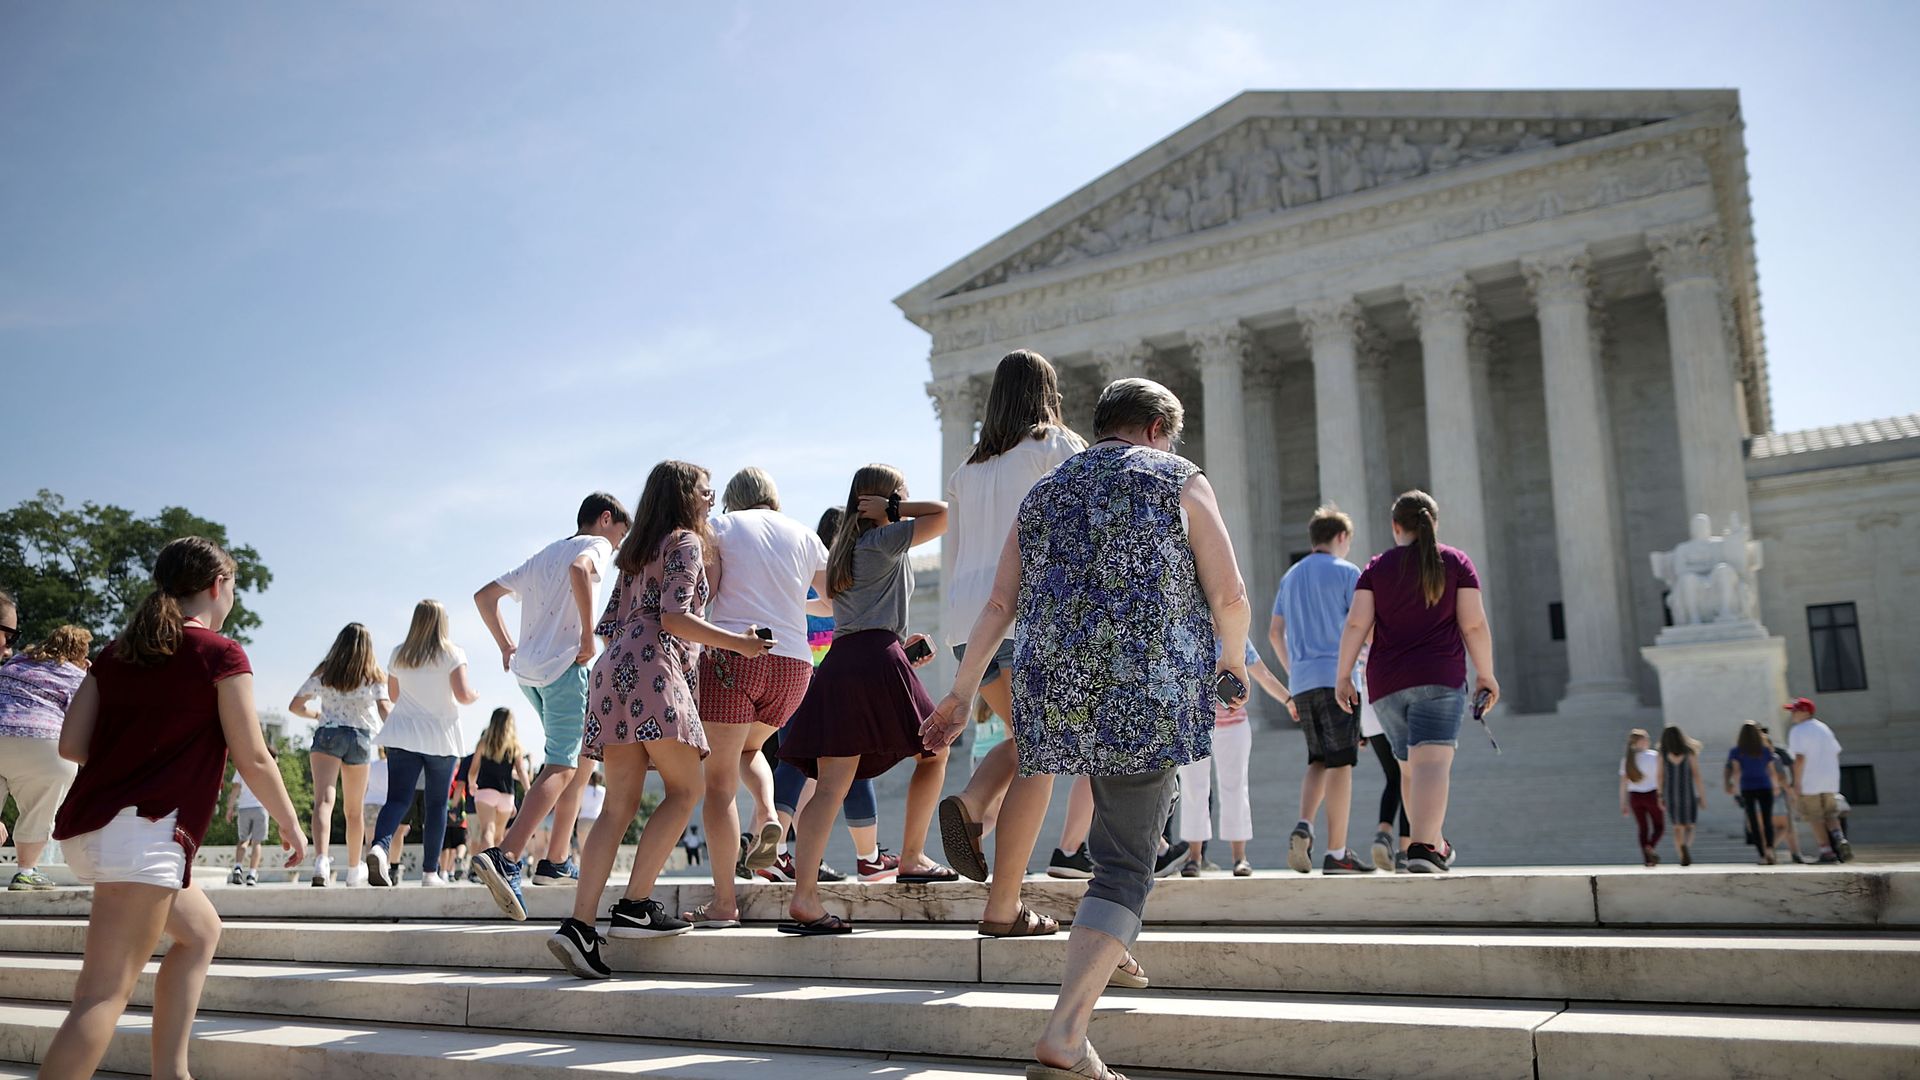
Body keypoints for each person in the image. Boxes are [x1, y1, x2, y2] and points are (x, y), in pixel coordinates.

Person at [923, 376, 1248, 1077]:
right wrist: (1232, 663)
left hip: (1055, 688)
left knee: (1114, 837)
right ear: (1159, 428)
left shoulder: (1044, 494)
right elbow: (1228, 592)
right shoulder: (1181, 479)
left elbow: (998, 602)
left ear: (1103, 425)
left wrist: (956, 693)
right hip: (1145, 687)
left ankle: (1112, 942)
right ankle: (1067, 1034)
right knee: (1126, 862)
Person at [40, 537, 307, 1080]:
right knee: (102, 995)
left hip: (98, 827)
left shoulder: (117, 652)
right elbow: (253, 754)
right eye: (231, 585)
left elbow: (71, 744)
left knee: (201, 933)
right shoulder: (221, 653)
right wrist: (291, 822)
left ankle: (173, 1073)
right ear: (218, 585)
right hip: (142, 834)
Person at [549, 461, 774, 978]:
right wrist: (740, 643)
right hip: (656, 664)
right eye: (705, 491)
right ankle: (634, 904)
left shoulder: (633, 552)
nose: (711, 498)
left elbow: (610, 624)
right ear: (684, 495)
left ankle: (579, 927)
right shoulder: (685, 543)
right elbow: (673, 617)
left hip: (613, 670)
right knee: (687, 790)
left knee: (617, 806)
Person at [934, 350, 1088, 903]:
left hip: (965, 625)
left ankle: (974, 803)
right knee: (1044, 755)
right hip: (1028, 615)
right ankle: (1004, 903)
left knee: (1030, 740)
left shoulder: (966, 471)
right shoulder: (1058, 448)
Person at [778, 463, 951, 934]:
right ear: (879, 500)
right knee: (936, 750)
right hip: (878, 656)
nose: (903, 504)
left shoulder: (842, 552)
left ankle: (805, 897)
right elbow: (943, 515)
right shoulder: (882, 539)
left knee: (831, 786)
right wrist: (893, 510)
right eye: (898, 496)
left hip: (844, 660)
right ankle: (912, 855)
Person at [685, 467, 829, 927]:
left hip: (734, 654)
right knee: (752, 748)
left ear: (732, 499)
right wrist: (790, 601)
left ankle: (725, 904)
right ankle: (768, 813)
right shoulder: (806, 535)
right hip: (793, 663)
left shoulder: (720, 528)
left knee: (719, 784)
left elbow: (703, 593)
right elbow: (831, 603)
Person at [470, 493, 630, 906]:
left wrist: (507, 646)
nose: (617, 547)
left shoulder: (543, 554)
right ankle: (507, 856)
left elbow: (484, 597)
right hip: (564, 668)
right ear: (605, 519)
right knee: (562, 762)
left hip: (529, 673)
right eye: (619, 536)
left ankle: (556, 859)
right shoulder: (591, 547)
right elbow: (581, 570)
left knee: (581, 757)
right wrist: (586, 636)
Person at [1334, 490, 1499, 874]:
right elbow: (1473, 623)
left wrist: (1343, 676)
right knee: (1432, 763)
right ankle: (1425, 846)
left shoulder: (1376, 568)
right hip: (1438, 676)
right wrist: (1486, 674)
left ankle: (1428, 842)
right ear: (1433, 523)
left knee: (1411, 766)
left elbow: (1357, 623)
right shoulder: (1456, 563)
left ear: (1396, 527)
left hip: (1386, 684)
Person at [763, 506, 877, 884]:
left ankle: (777, 849)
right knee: (851, 767)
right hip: (835, 679)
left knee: (796, 766)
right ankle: (869, 856)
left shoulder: (800, 576)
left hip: (797, 676)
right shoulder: (845, 578)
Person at [1272, 505, 1371, 874]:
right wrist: (1361, 662)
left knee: (1317, 759)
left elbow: (1273, 632)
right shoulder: (1348, 573)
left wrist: (1294, 670)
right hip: (1339, 678)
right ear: (1341, 538)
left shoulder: (1291, 576)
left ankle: (1304, 824)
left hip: (1303, 681)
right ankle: (1337, 852)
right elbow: (1363, 625)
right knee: (1341, 763)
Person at [365, 599, 479, 887]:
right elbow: (463, 695)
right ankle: (430, 873)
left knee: (397, 799)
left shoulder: (399, 654)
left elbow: (393, 696)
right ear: (444, 622)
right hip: (440, 736)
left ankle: (379, 846)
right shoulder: (453, 654)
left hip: (402, 734)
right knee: (437, 805)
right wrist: (475, 694)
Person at [1178, 640, 1294, 876]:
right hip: (1194, 726)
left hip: (1233, 727)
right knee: (1193, 789)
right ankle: (1194, 858)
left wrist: (1289, 701)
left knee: (1235, 786)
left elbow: (1262, 674)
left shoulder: (1235, 635)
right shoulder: (1188, 630)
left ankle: (1240, 858)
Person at [290, 623, 391, 887]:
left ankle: (321, 861)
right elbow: (384, 709)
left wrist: (316, 715)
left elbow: (295, 705)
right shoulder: (374, 674)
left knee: (324, 801)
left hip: (328, 735)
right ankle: (353, 869)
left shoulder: (325, 671)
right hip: (359, 738)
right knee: (354, 810)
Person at [0, 624, 91, 891]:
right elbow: (82, 719)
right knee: (39, 810)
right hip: (43, 746)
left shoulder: (16, 662)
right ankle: (26, 871)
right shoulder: (76, 675)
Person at [1357, 646, 1410, 873]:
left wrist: (1359, 727)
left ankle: (1384, 832)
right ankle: (1406, 850)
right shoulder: (1392, 626)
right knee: (1410, 778)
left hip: (1369, 715)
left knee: (1393, 777)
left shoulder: (1358, 634)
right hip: (1395, 706)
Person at [1785, 697, 1851, 863]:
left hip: (1809, 781)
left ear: (1806, 712)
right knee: (1831, 814)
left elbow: (1799, 758)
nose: (1792, 714)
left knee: (1814, 817)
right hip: (1830, 781)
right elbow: (1836, 751)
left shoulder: (1798, 731)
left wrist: (1796, 782)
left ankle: (1826, 851)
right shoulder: (1824, 728)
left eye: (1795, 710)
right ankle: (1840, 839)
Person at [466, 708, 527, 854]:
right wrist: (528, 789)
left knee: (487, 830)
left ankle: (487, 870)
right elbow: (521, 770)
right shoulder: (515, 745)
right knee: (499, 836)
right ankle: (498, 871)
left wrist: (471, 784)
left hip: (485, 791)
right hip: (507, 795)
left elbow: (473, 769)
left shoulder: (484, 742)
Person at [1725, 720, 1785, 865]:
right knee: (1767, 820)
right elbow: (1771, 771)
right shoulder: (1765, 750)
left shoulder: (1736, 751)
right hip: (1765, 786)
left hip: (1747, 787)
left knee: (1753, 822)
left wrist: (1736, 789)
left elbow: (1737, 771)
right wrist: (1776, 786)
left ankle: (1762, 855)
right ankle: (1770, 848)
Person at [1659, 726, 1707, 866]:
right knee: (1690, 825)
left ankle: (1681, 854)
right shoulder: (1689, 753)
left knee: (1677, 827)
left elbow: (1660, 776)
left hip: (1671, 794)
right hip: (1687, 793)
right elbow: (1696, 775)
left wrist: (1659, 795)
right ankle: (1686, 845)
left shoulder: (1663, 754)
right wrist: (1702, 797)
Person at [224, 751, 274, 887]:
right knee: (257, 843)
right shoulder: (268, 768)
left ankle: (238, 867)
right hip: (260, 808)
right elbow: (273, 791)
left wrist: (229, 808)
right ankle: (252, 874)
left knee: (243, 840)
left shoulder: (242, 768)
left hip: (244, 808)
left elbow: (235, 789)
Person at [1619, 728, 1664, 867]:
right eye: (1646, 738)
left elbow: (1623, 784)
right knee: (1659, 827)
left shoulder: (1627, 760)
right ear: (1641, 741)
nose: (1649, 741)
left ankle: (1647, 859)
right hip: (1652, 794)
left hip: (1635, 797)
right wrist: (1662, 796)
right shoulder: (1654, 756)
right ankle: (1650, 846)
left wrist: (1623, 804)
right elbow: (1660, 777)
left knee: (1643, 828)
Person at [575, 766, 604, 851]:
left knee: (583, 849)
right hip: (596, 820)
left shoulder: (582, 789)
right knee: (595, 849)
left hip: (583, 819)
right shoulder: (603, 791)